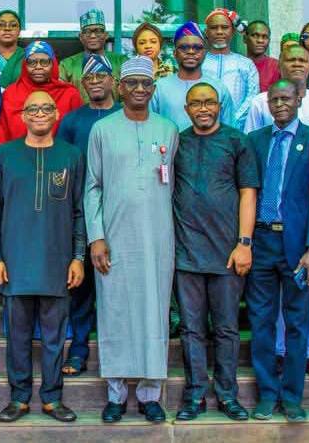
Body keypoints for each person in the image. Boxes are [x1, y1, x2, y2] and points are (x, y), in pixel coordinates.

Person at [84, 56, 178, 424]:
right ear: (120, 88)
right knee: (115, 311)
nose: (140, 89)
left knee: (155, 312)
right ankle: (116, 394)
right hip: (114, 238)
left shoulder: (168, 130)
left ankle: (150, 394)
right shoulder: (102, 130)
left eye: (146, 84)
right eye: (132, 83)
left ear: (153, 89)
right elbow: (92, 186)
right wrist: (96, 237)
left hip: (158, 238)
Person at [0, 91, 84, 424]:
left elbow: (80, 211)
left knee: (55, 338)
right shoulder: (4, 155)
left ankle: (53, 398)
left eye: (46, 108)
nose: (40, 113)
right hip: (15, 263)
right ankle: (19, 397)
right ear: (23, 116)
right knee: (18, 337)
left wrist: (78, 257)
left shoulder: (71, 156)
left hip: (58, 262)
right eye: (33, 109)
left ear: (57, 114)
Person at [245, 80, 309, 423]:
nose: (280, 104)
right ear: (267, 103)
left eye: (286, 98)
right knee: (261, 321)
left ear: (299, 100)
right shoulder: (255, 140)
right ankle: (267, 394)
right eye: (274, 99)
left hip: (298, 246)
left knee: (297, 323)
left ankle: (293, 397)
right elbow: (247, 192)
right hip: (261, 242)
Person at [171, 82, 258, 422]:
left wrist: (244, 243)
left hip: (227, 253)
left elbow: (248, 193)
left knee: (226, 328)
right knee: (191, 329)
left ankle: (227, 395)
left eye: (209, 102)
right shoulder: (178, 142)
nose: (203, 108)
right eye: (196, 103)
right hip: (186, 253)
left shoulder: (237, 141)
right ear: (187, 109)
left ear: (219, 106)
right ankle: (195, 395)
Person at [54, 54, 120, 377]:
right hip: (81, 212)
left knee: (116, 289)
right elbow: (61, 165)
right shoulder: (72, 121)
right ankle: (79, 349)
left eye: (101, 76)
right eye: (89, 78)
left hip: (120, 213)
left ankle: (116, 356)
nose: (95, 82)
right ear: (82, 84)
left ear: (112, 81)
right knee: (81, 288)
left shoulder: (125, 115)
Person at [150, 21, 236, 131]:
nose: (191, 52)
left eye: (197, 48)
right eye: (184, 47)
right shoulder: (159, 88)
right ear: (175, 53)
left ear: (205, 53)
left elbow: (229, 131)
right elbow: (150, 130)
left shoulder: (219, 88)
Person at [0, 41, 82, 146]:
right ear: (24, 65)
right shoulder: (11, 94)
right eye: (32, 62)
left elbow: (78, 134)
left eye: (44, 62)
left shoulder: (69, 94)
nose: (38, 67)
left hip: (61, 155)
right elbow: (1, 135)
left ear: (53, 64)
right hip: (16, 155)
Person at [245, 45, 309, 137]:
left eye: (302, 60)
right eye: (291, 60)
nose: (297, 64)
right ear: (279, 66)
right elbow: (251, 141)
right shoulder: (261, 102)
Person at [201, 8, 259, 129]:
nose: (219, 32)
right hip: (202, 128)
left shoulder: (246, 64)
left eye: (224, 27)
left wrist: (233, 120)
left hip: (237, 130)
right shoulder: (198, 62)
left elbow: (252, 97)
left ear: (232, 31)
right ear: (206, 32)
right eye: (214, 28)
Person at [59, 9, 127, 102]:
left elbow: (129, 94)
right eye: (87, 32)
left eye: (98, 31)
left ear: (106, 35)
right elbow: (62, 97)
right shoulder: (67, 65)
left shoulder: (121, 61)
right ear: (80, 37)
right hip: (79, 111)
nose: (93, 36)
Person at [244, 20, 280, 92]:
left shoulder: (277, 66)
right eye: (255, 36)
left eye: (265, 37)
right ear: (245, 38)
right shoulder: (237, 65)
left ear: (269, 40)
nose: (260, 40)